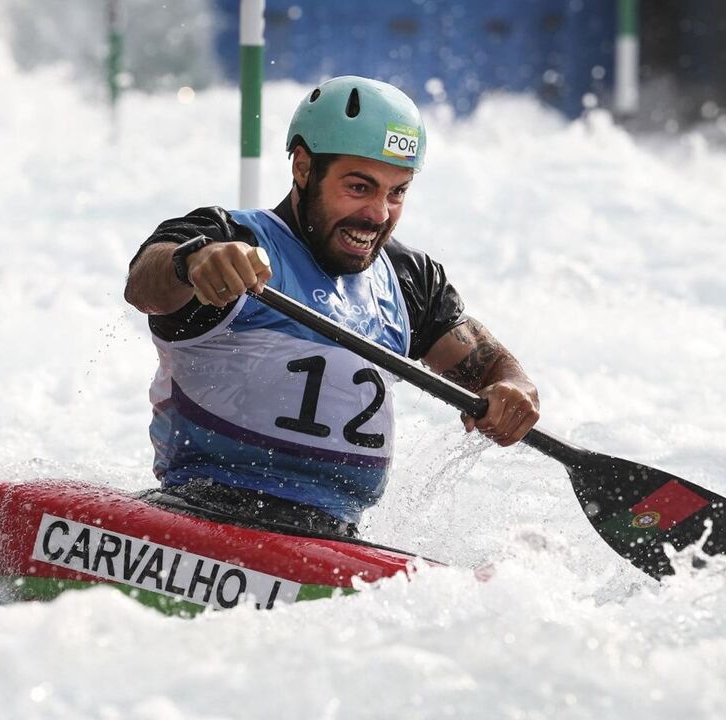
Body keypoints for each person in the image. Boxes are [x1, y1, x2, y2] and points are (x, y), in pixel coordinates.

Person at [124, 76, 539, 538]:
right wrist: (193, 262)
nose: (379, 214)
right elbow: (144, 286)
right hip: (199, 513)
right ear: (304, 167)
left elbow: (492, 368)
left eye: (397, 192)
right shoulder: (229, 238)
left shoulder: (408, 280)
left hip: (335, 536)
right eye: (359, 187)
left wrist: (513, 388)